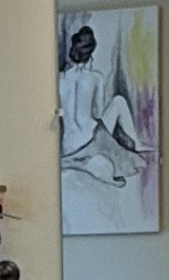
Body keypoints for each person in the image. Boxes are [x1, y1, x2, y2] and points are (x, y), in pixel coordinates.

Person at [59, 23, 146, 187]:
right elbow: (97, 113)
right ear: (90, 54)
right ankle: (137, 143)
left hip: (68, 145)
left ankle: (75, 163)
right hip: (89, 139)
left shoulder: (59, 79)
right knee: (118, 102)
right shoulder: (95, 78)